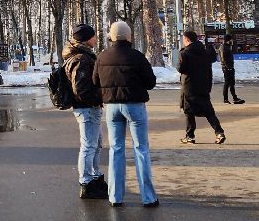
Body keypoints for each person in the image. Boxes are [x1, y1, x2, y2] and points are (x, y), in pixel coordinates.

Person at [92, 20, 159, 207]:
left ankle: (115, 196)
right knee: (141, 149)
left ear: (112, 37)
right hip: (135, 105)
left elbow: (95, 81)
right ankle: (148, 197)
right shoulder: (137, 56)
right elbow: (150, 82)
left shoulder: (102, 56)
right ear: (128, 36)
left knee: (116, 150)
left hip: (112, 108)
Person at [62, 24, 106, 199]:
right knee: (88, 146)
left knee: (95, 144)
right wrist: (97, 98)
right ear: (86, 38)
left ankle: (94, 177)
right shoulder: (81, 58)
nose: (96, 38)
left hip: (89, 107)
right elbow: (81, 89)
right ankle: (86, 183)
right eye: (93, 36)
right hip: (87, 108)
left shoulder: (81, 55)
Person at [175, 29, 225, 146]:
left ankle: (190, 136)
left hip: (189, 86)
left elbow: (181, 69)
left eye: (183, 39)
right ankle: (219, 132)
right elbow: (213, 58)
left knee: (189, 112)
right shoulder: (204, 51)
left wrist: (180, 57)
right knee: (209, 112)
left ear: (187, 39)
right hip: (204, 86)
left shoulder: (185, 53)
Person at [220, 30, 244, 105]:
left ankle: (235, 98)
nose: (232, 41)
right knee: (227, 83)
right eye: (231, 40)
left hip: (229, 67)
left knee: (232, 83)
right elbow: (223, 58)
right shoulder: (224, 47)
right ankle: (225, 99)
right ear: (228, 40)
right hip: (227, 68)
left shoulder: (227, 47)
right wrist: (228, 67)